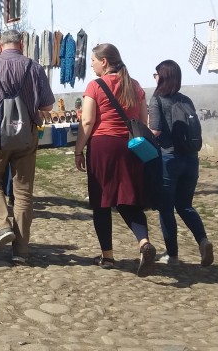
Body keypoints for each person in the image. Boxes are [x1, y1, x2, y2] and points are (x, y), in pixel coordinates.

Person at [0, 29, 55, 265]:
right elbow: (48, 105)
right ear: (21, 44)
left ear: (0, 45)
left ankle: (2, 224)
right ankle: (21, 250)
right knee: (23, 191)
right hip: (26, 134)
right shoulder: (34, 67)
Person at [73, 43, 159, 277]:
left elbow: (88, 122)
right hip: (131, 147)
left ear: (104, 62)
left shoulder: (95, 86)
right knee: (128, 199)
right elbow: (143, 120)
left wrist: (78, 150)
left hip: (104, 147)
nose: (90, 64)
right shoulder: (135, 85)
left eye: (93, 60)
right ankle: (144, 243)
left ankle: (108, 256)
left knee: (102, 200)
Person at [148, 59, 213, 266]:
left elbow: (156, 130)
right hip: (191, 160)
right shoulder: (186, 100)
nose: (155, 78)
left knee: (166, 208)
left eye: (156, 74)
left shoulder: (157, 99)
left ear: (162, 77)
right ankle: (203, 240)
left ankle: (172, 254)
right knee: (185, 205)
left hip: (169, 160)